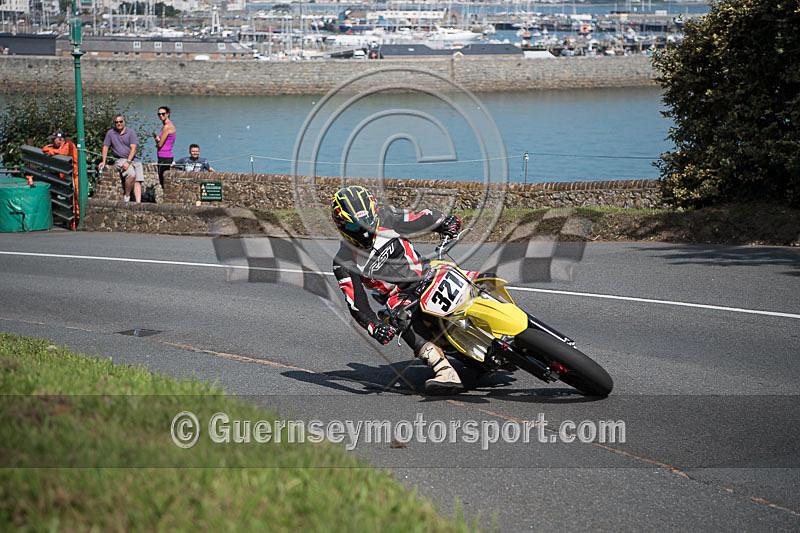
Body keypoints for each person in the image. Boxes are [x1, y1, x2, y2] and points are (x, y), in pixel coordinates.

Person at [331, 185, 466, 394]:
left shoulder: (389, 216)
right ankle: (445, 370)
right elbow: (356, 302)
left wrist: (443, 222)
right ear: (342, 226)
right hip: (399, 298)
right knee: (398, 321)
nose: (365, 232)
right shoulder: (344, 260)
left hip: (427, 272)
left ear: (374, 213)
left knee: (476, 278)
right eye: (356, 227)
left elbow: (421, 217)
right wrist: (374, 326)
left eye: (368, 223)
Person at [99, 114, 144, 203]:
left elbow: (133, 149)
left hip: (134, 159)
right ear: (114, 123)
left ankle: (138, 204)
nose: (119, 124)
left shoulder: (131, 132)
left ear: (124, 122)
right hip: (120, 159)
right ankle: (127, 197)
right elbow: (105, 147)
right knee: (131, 175)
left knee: (138, 181)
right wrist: (103, 161)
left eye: (120, 121)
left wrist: (128, 161)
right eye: (116, 122)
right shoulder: (110, 133)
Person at [42, 130, 80, 228]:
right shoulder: (56, 146)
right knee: (66, 197)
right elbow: (45, 148)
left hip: (74, 175)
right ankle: (68, 218)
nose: (53, 141)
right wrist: (52, 151)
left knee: (76, 198)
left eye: (54, 139)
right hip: (64, 176)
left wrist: (52, 152)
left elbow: (64, 152)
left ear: (60, 139)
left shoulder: (69, 144)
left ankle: (77, 220)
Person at [153, 106, 176, 188]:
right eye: (159, 114)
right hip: (165, 155)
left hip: (165, 156)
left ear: (168, 114)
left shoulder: (167, 127)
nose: (161, 116)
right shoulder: (168, 125)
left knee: (163, 180)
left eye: (163, 114)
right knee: (163, 179)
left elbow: (160, 144)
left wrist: (156, 141)